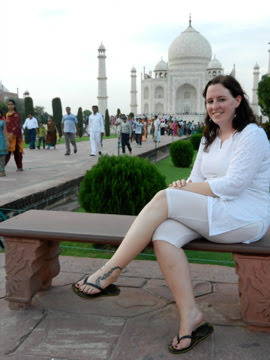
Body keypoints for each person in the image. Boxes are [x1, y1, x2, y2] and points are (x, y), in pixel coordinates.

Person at [72, 75, 270, 354]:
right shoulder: (209, 136)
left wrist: (184, 190)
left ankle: (110, 271)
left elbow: (234, 185)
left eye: (221, 99)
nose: (214, 106)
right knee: (164, 236)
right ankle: (191, 317)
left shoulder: (251, 134)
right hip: (216, 210)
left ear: (238, 100)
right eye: (210, 101)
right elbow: (196, 177)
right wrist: (184, 186)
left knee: (165, 197)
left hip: (245, 216)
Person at [5, 99, 24, 171]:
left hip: (16, 136)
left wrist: (12, 134)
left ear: (14, 105)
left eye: (11, 104)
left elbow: (16, 126)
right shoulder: (6, 114)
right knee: (6, 152)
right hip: (7, 136)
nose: (10, 106)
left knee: (17, 153)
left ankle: (19, 167)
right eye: (9, 104)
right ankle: (1, 167)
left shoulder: (16, 115)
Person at [0, 110, 8, 176]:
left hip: (1, 140)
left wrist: (6, 141)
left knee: (2, 156)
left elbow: (5, 132)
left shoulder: (3, 121)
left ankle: (2, 171)